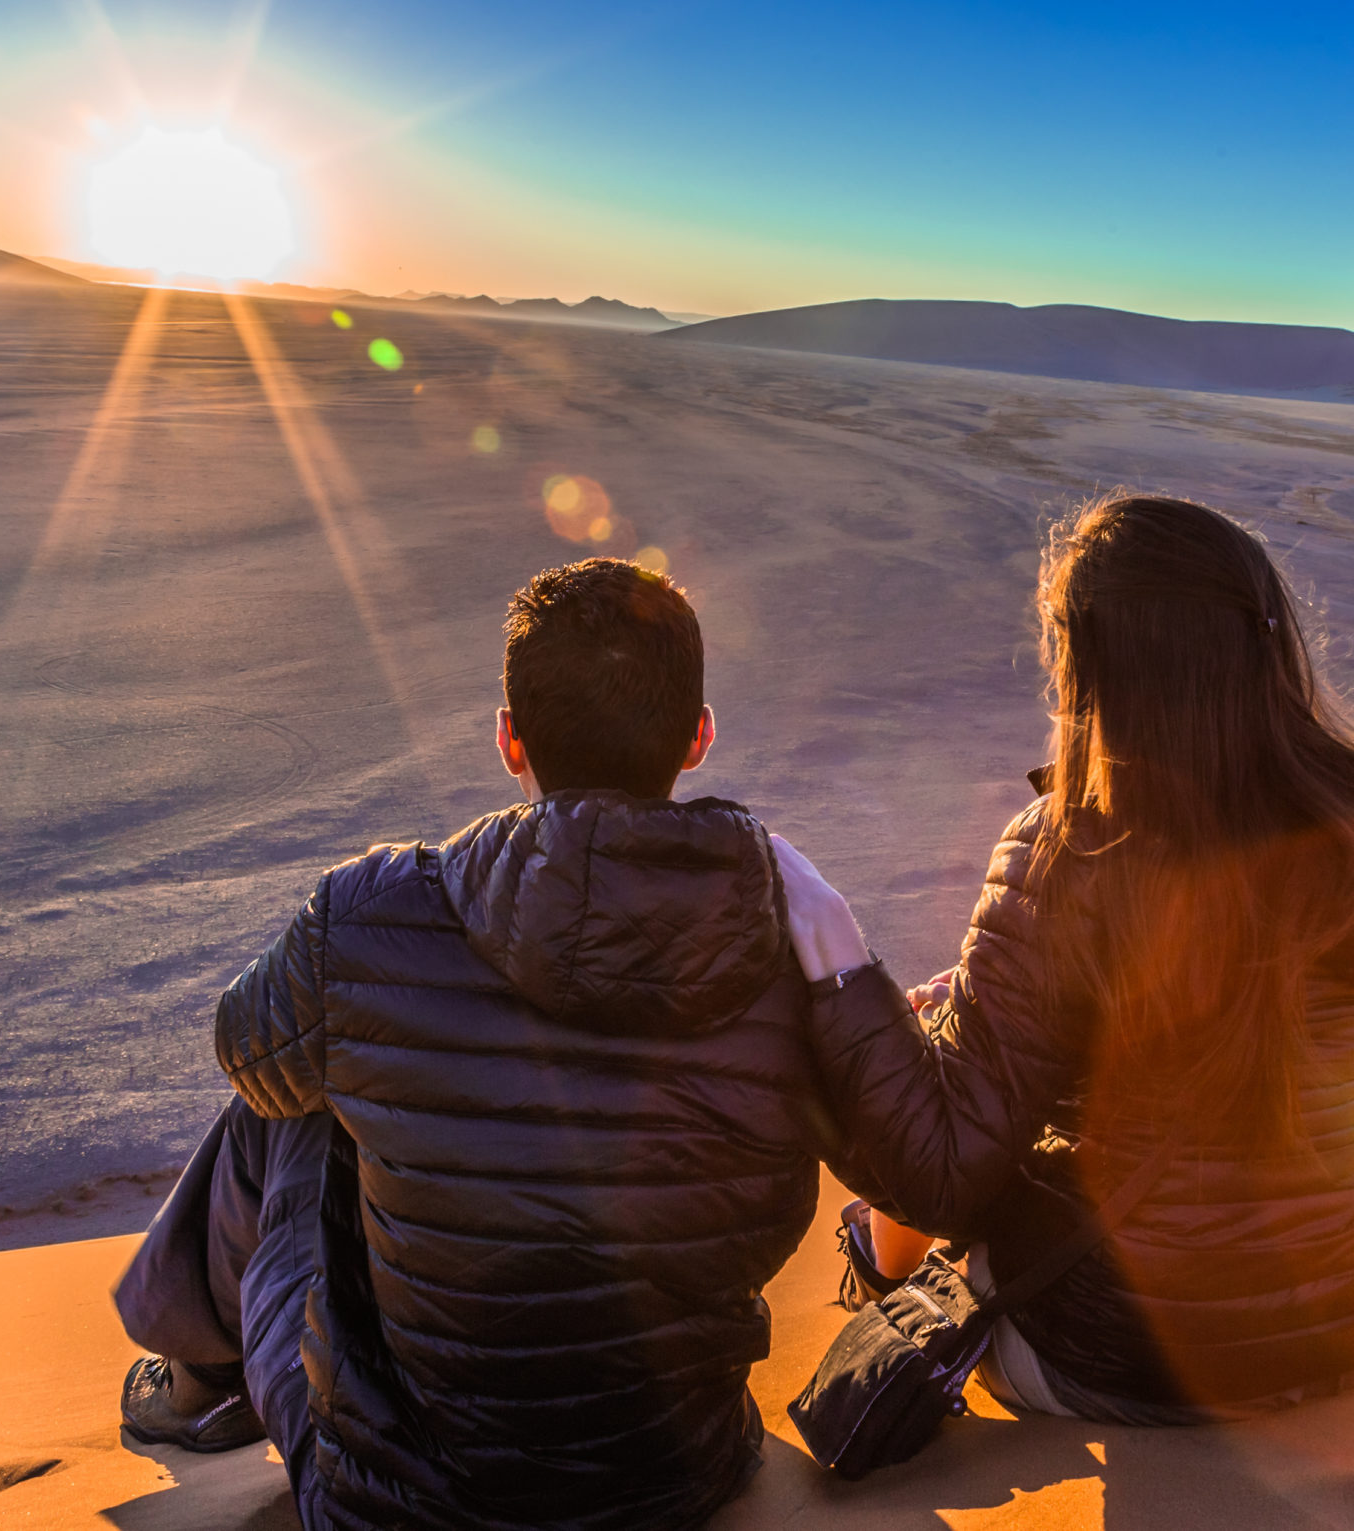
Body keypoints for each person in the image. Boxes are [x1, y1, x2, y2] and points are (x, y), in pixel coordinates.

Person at [114, 558, 833, 1531]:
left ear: (508, 740)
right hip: (677, 1473)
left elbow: (243, 1054)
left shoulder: (369, 914)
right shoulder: (789, 926)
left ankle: (198, 1381)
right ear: (698, 737)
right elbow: (902, 1143)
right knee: (339, 1052)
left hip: (393, 1501)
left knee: (293, 1100)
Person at [773, 492, 1354, 1423]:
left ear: (1088, 661)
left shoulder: (1068, 853)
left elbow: (942, 1170)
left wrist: (851, 988)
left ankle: (876, 1278)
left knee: (949, 1190)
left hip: (1129, 1358)